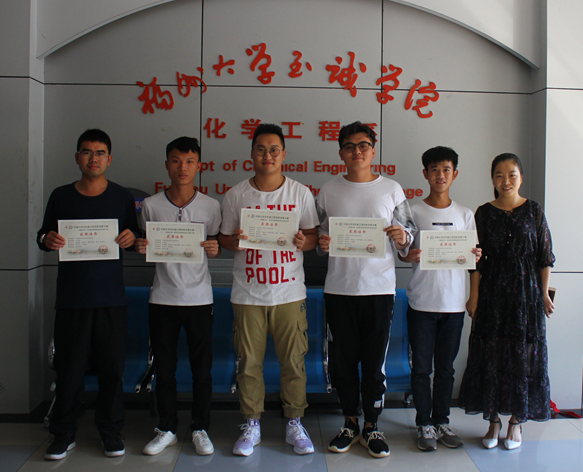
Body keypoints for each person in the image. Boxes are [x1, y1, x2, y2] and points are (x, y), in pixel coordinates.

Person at [36, 129, 139, 460]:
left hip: (111, 298)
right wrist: (46, 240)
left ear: (109, 159)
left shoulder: (122, 197)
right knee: (69, 369)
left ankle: (110, 431)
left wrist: (131, 239)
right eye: (87, 152)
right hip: (72, 298)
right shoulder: (61, 196)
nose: (93, 158)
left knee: (112, 370)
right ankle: (63, 432)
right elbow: (43, 234)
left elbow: (135, 237)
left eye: (100, 152)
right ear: (77, 157)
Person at [316, 121, 417, 459]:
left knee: (374, 364)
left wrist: (403, 238)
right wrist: (323, 242)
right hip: (339, 289)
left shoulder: (392, 190)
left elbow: (408, 233)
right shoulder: (328, 191)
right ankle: (349, 423)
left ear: (373, 151)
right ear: (341, 152)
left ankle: (372, 425)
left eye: (363, 145)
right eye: (349, 146)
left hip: (379, 290)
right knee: (343, 363)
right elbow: (318, 235)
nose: (356, 151)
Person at [218, 123, 319, 457]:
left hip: (289, 292)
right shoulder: (236, 195)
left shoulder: (299, 193)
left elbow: (312, 236)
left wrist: (304, 242)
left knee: (294, 361)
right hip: (247, 294)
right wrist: (237, 241)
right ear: (252, 154)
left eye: (274, 149)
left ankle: (294, 422)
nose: (268, 155)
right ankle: (252, 423)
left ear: (284, 154)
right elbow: (224, 239)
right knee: (248, 362)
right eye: (261, 149)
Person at [458, 153, 555, 451]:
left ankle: (515, 421)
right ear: (492, 179)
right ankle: (493, 421)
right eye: (499, 175)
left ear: (521, 177)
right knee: (492, 355)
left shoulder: (534, 211)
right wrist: (473, 295)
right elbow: (475, 260)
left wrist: (543, 294)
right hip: (492, 294)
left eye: (512, 174)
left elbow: (545, 257)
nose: (506, 180)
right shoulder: (484, 213)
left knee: (522, 356)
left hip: (526, 295)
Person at [135, 137, 221, 457]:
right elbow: (146, 242)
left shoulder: (211, 206)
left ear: (198, 165)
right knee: (164, 369)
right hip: (162, 298)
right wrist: (142, 246)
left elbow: (216, 245)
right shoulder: (150, 206)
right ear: (167, 164)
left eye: (189, 161)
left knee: (202, 370)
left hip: (199, 298)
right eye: (175, 160)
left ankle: (200, 428)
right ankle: (167, 428)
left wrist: (214, 248)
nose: (182, 167)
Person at [399, 146, 480, 452]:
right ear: (425, 174)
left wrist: (475, 261)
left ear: (454, 174)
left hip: (454, 304)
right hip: (421, 302)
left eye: (446, 169)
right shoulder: (413, 211)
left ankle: (442, 421)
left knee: (446, 369)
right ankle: (424, 423)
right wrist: (409, 255)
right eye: (434, 169)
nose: (440, 175)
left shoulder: (465, 214)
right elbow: (403, 252)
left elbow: (472, 261)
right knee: (421, 368)